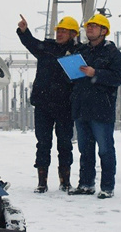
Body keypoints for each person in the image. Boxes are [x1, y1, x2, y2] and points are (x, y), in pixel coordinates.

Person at [17, 14, 79, 193]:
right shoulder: (47, 48)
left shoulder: (78, 52)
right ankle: (42, 182)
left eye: (64, 31)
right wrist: (23, 31)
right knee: (43, 143)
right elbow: (31, 43)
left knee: (65, 144)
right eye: (58, 30)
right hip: (43, 104)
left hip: (65, 105)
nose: (59, 34)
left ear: (73, 34)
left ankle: (65, 181)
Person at [68, 13, 121, 199]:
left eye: (94, 26)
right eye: (88, 26)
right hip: (82, 107)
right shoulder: (82, 52)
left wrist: (96, 73)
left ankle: (107, 187)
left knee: (105, 149)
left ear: (104, 31)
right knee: (85, 149)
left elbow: (117, 78)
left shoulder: (112, 53)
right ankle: (86, 184)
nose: (89, 29)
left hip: (101, 109)